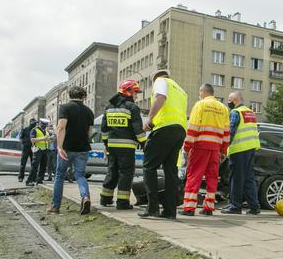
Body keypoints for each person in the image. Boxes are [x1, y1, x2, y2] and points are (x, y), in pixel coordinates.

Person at [138, 70, 187, 219]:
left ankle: (152, 207)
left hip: (163, 128)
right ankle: (170, 211)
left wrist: (149, 119)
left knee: (149, 166)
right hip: (179, 130)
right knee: (170, 170)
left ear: (155, 79)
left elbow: (160, 97)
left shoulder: (160, 82)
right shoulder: (181, 90)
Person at [181, 83, 229, 216]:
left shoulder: (200, 105)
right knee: (212, 177)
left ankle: (189, 208)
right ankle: (208, 207)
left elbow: (193, 127)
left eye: (199, 92)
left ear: (202, 91)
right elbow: (226, 132)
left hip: (200, 146)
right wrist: (223, 151)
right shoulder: (223, 108)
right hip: (215, 149)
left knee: (194, 175)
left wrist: (187, 147)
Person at [100, 80, 147, 210]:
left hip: (112, 146)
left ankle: (105, 198)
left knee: (112, 171)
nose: (137, 96)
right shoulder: (132, 107)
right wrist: (144, 143)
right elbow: (138, 129)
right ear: (129, 92)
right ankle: (122, 202)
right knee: (126, 173)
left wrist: (106, 143)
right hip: (126, 148)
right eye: (136, 92)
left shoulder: (109, 107)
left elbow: (104, 129)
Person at [48, 86, 94, 215]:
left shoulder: (65, 108)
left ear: (69, 95)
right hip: (83, 148)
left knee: (60, 176)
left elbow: (61, 127)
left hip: (67, 148)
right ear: (83, 97)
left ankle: (55, 206)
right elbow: (89, 133)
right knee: (80, 175)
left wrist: (59, 146)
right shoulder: (89, 111)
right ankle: (85, 197)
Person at [221, 91, 261, 215]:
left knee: (236, 178)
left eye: (229, 100)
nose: (228, 102)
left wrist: (223, 149)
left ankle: (235, 206)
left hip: (239, 149)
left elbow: (231, 132)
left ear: (236, 100)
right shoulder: (250, 113)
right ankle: (254, 207)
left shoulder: (236, 112)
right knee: (249, 178)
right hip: (251, 148)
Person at [26, 118, 51, 186]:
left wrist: (51, 139)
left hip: (45, 150)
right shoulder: (34, 130)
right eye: (43, 124)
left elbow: (47, 140)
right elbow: (32, 140)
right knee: (35, 166)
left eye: (46, 125)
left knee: (43, 166)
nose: (44, 126)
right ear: (40, 123)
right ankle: (29, 181)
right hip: (37, 150)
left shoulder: (46, 131)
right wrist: (43, 138)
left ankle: (39, 180)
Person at [18, 118, 36, 182]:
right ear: (30, 122)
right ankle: (21, 177)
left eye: (35, 123)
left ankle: (33, 178)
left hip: (33, 148)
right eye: (34, 123)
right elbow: (20, 137)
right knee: (23, 163)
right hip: (26, 148)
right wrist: (25, 143)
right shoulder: (25, 129)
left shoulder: (36, 130)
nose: (35, 124)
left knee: (33, 164)